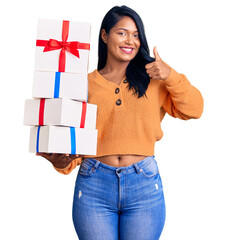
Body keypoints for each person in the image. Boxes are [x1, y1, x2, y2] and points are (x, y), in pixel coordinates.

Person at [37, 5, 204, 240]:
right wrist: (63, 161)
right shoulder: (84, 84)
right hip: (94, 184)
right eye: (122, 32)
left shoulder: (154, 79)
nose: (131, 41)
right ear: (105, 36)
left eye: (136, 35)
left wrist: (171, 75)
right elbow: (76, 139)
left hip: (143, 185)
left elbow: (195, 110)